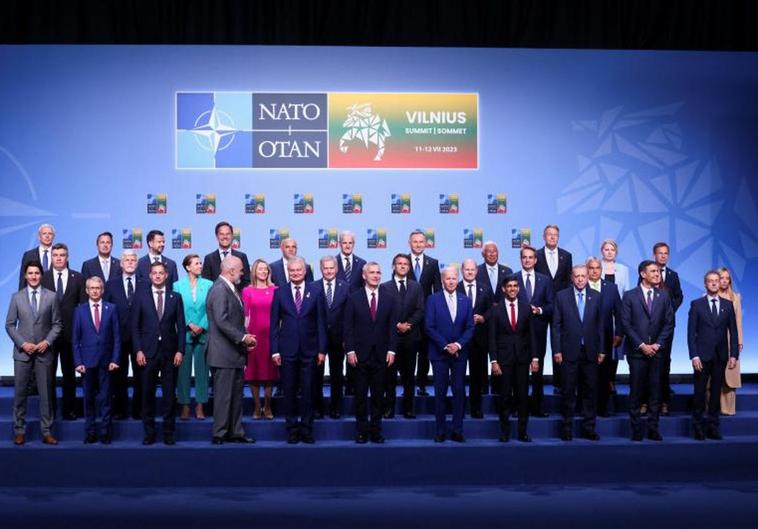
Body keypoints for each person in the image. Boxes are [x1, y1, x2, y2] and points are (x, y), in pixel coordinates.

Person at [270, 256, 326, 444]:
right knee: (289, 391)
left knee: (309, 391)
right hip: (287, 351)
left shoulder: (316, 291)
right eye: (292, 270)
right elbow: (273, 325)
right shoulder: (280, 292)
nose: (295, 273)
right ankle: (292, 428)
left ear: (305, 271)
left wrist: (322, 350)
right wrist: (275, 350)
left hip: (310, 350)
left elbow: (321, 323)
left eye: (298, 270)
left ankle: (307, 428)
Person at [6, 261, 62, 445]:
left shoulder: (52, 297)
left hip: (44, 353)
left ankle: (46, 432)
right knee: (20, 393)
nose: (34, 276)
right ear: (25, 275)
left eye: (37, 273)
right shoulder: (16, 297)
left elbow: (57, 324)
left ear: (41, 275)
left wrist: (47, 342)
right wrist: (23, 344)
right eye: (30, 273)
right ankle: (19, 430)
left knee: (46, 395)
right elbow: (9, 325)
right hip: (22, 354)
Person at [131, 261, 186, 445]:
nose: (157, 276)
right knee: (147, 394)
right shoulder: (140, 297)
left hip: (170, 353)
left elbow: (181, 327)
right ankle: (149, 432)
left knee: (169, 395)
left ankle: (169, 432)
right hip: (147, 353)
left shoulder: (175, 297)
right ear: (149, 275)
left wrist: (180, 350)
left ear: (166, 275)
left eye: (160, 273)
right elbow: (135, 327)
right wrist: (138, 350)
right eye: (154, 273)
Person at [344, 262, 399, 443]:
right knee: (360, 396)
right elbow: (348, 328)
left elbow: (392, 328)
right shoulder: (353, 298)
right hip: (359, 355)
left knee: (378, 396)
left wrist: (392, 349)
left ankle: (375, 430)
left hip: (382, 355)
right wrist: (350, 350)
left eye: (378, 272)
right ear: (364, 276)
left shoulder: (390, 298)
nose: (376, 275)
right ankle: (361, 430)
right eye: (372, 272)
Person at [621, 260, 674, 441]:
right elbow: (626, 324)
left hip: (658, 352)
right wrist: (642, 345)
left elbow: (669, 323)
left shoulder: (664, 296)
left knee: (655, 391)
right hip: (637, 352)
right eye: (653, 271)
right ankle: (636, 430)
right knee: (636, 392)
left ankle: (653, 429)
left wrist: (657, 345)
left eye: (658, 271)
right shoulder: (629, 296)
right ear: (643, 274)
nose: (657, 274)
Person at [551, 265, 605, 441]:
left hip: (590, 352)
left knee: (590, 392)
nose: (580, 279)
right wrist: (557, 350)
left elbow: (601, 326)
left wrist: (602, 349)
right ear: (572, 278)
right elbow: (556, 326)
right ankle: (567, 428)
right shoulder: (561, 296)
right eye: (577, 276)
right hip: (568, 352)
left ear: (588, 277)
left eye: (583, 276)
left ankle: (589, 428)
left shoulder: (596, 297)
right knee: (568, 391)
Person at [206, 256, 256, 444]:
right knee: (223, 397)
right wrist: (243, 338)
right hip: (223, 354)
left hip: (234, 354)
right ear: (231, 270)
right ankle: (219, 433)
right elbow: (221, 320)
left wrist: (243, 339)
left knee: (235, 396)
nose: (244, 274)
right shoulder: (220, 289)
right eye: (241, 270)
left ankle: (235, 431)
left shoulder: (231, 288)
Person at [424, 266, 474, 442]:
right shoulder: (432, 300)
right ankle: (440, 430)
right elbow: (428, 326)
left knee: (459, 391)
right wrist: (445, 345)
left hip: (460, 354)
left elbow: (470, 327)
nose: (451, 281)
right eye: (448, 279)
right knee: (440, 392)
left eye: (454, 278)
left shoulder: (466, 301)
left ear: (457, 280)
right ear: (443, 281)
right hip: (439, 354)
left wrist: (458, 345)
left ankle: (457, 430)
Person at [688, 270, 739, 440]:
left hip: (721, 356)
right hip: (701, 356)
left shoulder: (728, 304)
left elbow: (733, 331)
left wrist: (734, 355)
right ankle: (697, 427)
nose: (714, 283)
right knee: (700, 392)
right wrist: (694, 355)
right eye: (710, 281)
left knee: (716, 392)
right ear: (705, 284)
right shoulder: (696, 305)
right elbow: (691, 333)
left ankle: (713, 426)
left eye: (716, 280)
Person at [489, 276, 538, 442]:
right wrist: (494, 361)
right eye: (509, 286)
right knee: (504, 397)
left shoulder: (526, 308)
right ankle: (505, 432)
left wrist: (535, 358)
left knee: (523, 396)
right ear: (503, 289)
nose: (512, 288)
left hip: (523, 359)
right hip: (503, 360)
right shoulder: (495, 310)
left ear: (518, 288)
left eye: (515, 286)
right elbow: (492, 338)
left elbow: (532, 335)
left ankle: (522, 432)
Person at [72, 276, 120, 444]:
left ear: (102, 290)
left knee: (106, 399)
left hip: (107, 362)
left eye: (98, 288)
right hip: (87, 363)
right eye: (91, 288)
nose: (95, 291)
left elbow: (116, 337)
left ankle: (106, 432)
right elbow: (75, 339)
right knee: (89, 400)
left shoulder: (111, 309)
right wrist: (78, 362)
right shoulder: (79, 310)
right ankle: (90, 431)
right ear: (87, 290)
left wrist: (115, 359)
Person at [42, 242, 86, 420]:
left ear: (67, 258)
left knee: (69, 375)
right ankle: (50, 411)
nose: (59, 258)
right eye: (56, 255)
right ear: (51, 258)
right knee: (48, 376)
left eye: (62, 255)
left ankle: (69, 409)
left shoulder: (79, 277)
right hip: (47, 336)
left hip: (70, 335)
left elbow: (83, 308)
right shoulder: (43, 278)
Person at [381, 254, 424, 419]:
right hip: (391, 338)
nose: (403, 266)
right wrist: (397, 325)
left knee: (408, 376)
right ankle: (389, 408)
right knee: (389, 376)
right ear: (393, 266)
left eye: (405, 263)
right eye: (399, 263)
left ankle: (409, 408)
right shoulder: (384, 287)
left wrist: (408, 324)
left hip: (411, 337)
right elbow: (383, 311)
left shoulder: (417, 286)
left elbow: (420, 310)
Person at [104, 249, 146, 420]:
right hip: (117, 338)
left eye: (133, 260)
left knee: (140, 376)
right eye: (127, 260)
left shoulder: (145, 283)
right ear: (121, 264)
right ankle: (120, 410)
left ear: (137, 264)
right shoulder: (111, 284)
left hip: (141, 338)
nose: (130, 262)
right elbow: (106, 311)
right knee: (118, 377)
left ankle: (138, 410)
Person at [516, 245, 554, 417]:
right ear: (521, 259)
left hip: (538, 331)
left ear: (536, 260)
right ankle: (519, 408)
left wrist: (539, 310)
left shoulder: (545, 280)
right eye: (524, 257)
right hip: (518, 333)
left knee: (537, 372)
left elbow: (552, 306)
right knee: (519, 373)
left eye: (531, 257)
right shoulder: (512, 278)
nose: (527, 260)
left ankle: (538, 407)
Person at [174, 254, 213, 420]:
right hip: (185, 333)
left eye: (200, 263)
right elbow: (176, 308)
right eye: (196, 263)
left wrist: (202, 326)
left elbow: (211, 308)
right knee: (182, 372)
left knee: (202, 371)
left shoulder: (209, 284)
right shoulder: (177, 285)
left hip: (203, 333)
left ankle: (200, 405)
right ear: (188, 267)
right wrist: (189, 324)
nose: (200, 265)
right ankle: (184, 405)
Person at [534, 224, 572, 391]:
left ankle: (559, 383)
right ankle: (537, 385)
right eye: (549, 234)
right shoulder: (536, 255)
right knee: (539, 347)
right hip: (542, 307)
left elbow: (569, 281)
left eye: (555, 235)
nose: (552, 237)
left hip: (562, 307)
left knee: (560, 346)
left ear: (558, 237)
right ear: (544, 236)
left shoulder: (566, 255)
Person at [311, 255, 348, 419]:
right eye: (325, 268)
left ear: (336, 269)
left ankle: (336, 407)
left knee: (337, 375)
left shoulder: (345, 287)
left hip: (338, 338)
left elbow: (349, 315)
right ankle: (318, 407)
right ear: (321, 269)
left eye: (331, 268)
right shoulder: (312, 287)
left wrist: (348, 338)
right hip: (316, 338)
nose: (329, 271)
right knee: (316, 376)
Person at [241, 259, 279, 419]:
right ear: (254, 272)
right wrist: (245, 336)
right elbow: (245, 316)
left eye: (266, 269)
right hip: (254, 336)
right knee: (254, 373)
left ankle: (268, 406)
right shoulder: (247, 291)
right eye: (260, 269)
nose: (263, 272)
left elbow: (280, 315)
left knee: (270, 373)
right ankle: (257, 407)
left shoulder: (276, 290)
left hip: (272, 335)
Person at [587, 257, 623, 416]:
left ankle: (602, 408)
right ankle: (587, 408)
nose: (594, 271)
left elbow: (620, 313)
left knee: (604, 374)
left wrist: (619, 333)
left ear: (601, 270)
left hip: (607, 338)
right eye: (591, 268)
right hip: (585, 338)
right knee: (586, 374)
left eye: (597, 268)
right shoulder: (579, 285)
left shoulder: (611, 288)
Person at [406, 229, 441, 396]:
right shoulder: (402, 261)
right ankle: (408, 384)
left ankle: (421, 384)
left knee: (425, 352)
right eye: (415, 242)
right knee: (409, 352)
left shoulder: (433, 263)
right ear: (410, 243)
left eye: (421, 242)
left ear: (426, 244)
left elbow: (438, 290)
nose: (418, 244)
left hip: (427, 316)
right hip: (408, 316)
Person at [457, 258, 493, 418]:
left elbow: (493, 310)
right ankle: (460, 408)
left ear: (477, 271)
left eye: (472, 269)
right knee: (458, 375)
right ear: (462, 271)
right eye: (467, 269)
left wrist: (483, 318)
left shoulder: (485, 289)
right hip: (459, 339)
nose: (470, 272)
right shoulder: (455, 288)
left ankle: (475, 408)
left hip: (479, 339)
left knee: (477, 376)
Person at [652, 242, 684, 415]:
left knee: (665, 363)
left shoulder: (673, 275)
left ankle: (664, 400)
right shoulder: (647, 271)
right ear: (654, 255)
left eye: (666, 253)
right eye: (660, 253)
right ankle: (647, 400)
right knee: (647, 364)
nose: (663, 256)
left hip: (666, 326)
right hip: (647, 328)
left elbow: (679, 296)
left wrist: (669, 310)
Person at [718, 267, 743, 415]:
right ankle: (714, 407)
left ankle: (728, 408)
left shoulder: (735, 297)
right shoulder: (706, 296)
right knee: (714, 375)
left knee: (730, 375)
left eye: (727, 278)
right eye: (722, 278)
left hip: (731, 340)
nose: (725, 281)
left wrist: (739, 341)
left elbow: (738, 321)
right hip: (714, 341)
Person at [200, 221, 251, 290]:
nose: (225, 237)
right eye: (221, 234)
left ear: (232, 236)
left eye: (228, 234)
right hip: (217, 298)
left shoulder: (241, 256)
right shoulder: (209, 258)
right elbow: (206, 282)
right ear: (217, 236)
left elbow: (247, 281)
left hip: (237, 298)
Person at [18, 223, 55, 289]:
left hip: (54, 297)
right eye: (44, 233)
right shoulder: (28, 255)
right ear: (39, 236)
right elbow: (23, 281)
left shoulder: (61, 256)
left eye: (50, 234)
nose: (47, 236)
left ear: (54, 236)